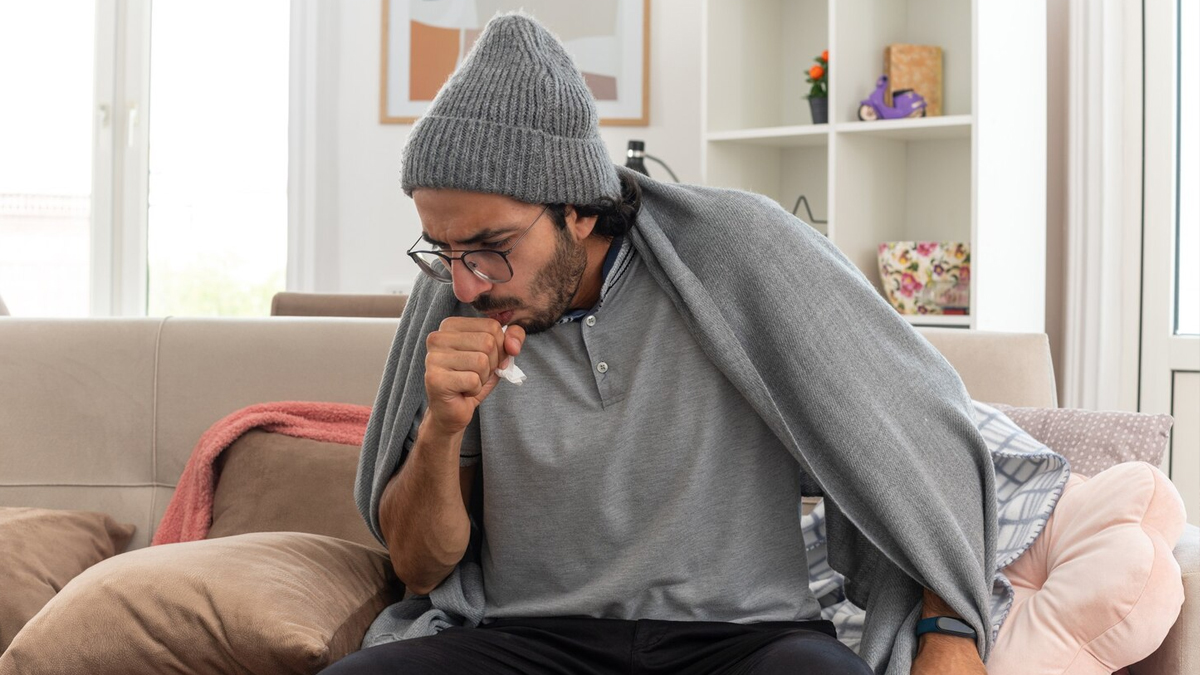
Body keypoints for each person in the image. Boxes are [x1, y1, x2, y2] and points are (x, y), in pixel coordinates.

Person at [336, 12, 996, 675]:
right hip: (527, 640)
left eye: (491, 246)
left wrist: (947, 631)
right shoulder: (456, 302)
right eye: (444, 249)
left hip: (748, 641)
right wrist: (442, 429)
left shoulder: (736, 251)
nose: (466, 282)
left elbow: (923, 423)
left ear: (578, 209)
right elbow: (420, 568)